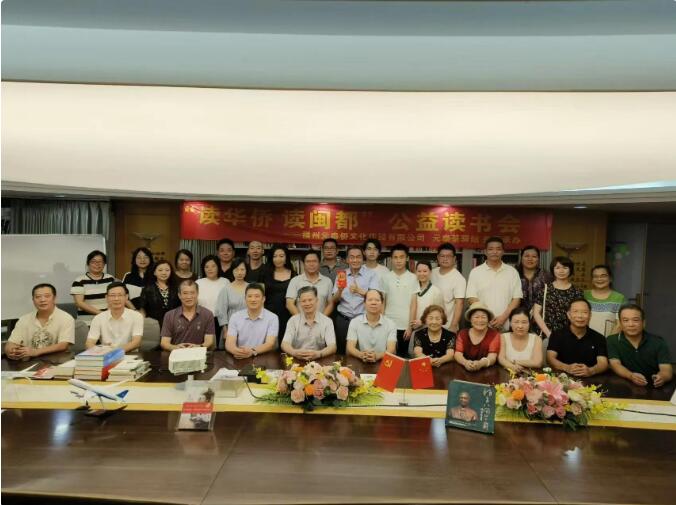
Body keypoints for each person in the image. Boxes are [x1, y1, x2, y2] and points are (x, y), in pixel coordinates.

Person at [607, 303, 672, 387]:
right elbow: (615, 364)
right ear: (620, 323)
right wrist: (631, 376)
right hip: (623, 385)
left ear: (643, 322)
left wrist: (662, 377)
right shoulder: (612, 340)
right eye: (626, 320)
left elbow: (666, 369)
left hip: (652, 385)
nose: (631, 324)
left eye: (635, 320)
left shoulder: (658, 342)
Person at [332, 246, 381, 354]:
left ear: (363, 259)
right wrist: (339, 290)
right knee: (341, 351)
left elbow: (375, 298)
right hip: (343, 319)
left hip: (363, 320)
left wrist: (359, 290)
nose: (355, 260)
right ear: (347, 260)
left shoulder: (371, 274)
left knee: (363, 350)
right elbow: (334, 300)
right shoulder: (341, 274)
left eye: (358, 257)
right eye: (352, 257)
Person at [466, 237, 522, 331]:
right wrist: (487, 317)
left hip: (506, 324)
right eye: (491, 249)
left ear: (503, 251)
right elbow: (471, 298)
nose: (494, 252)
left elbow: (516, 299)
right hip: (482, 324)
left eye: (498, 249)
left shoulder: (512, 272)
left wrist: (503, 318)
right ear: (485, 251)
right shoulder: (475, 272)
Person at [6, 284, 74, 360]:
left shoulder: (66, 318)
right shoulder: (24, 319)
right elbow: (11, 342)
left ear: (54, 298)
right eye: (38, 297)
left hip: (56, 362)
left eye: (47, 296)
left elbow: (63, 345)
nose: (42, 300)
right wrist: (10, 350)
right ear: (33, 300)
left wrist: (36, 352)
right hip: (28, 362)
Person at [547, 299, 608, 377]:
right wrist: (567, 368)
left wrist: (591, 371)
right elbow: (550, 358)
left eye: (585, 312)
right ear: (568, 315)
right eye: (575, 311)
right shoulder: (557, 335)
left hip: (591, 379)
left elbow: (603, 363)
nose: (580, 316)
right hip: (562, 378)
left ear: (590, 315)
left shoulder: (599, 338)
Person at [532, 256, 584, 338]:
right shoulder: (545, 290)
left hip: (570, 335)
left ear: (570, 270)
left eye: (565, 268)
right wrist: (549, 334)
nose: (561, 271)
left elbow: (580, 313)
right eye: (557, 268)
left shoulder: (577, 292)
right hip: (547, 334)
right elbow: (536, 313)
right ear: (553, 270)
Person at [281, 286, 337, 360]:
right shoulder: (293, 320)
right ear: (299, 303)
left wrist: (319, 354)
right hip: (297, 359)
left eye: (310, 300)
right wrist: (294, 352)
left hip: (319, 360)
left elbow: (332, 346)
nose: (307, 303)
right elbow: (284, 344)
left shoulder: (327, 321)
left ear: (316, 300)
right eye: (303, 301)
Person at [382, 243, 418, 357]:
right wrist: (382, 323)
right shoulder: (386, 277)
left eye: (401, 257)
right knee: (388, 356)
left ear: (407, 258)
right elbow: (383, 302)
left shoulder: (413, 278)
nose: (398, 260)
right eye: (395, 257)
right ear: (391, 259)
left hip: (405, 325)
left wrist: (410, 327)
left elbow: (413, 304)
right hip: (388, 323)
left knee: (403, 357)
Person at [225, 284, 279, 359]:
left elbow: (270, 344)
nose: (253, 299)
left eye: (257, 296)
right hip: (240, 357)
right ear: (245, 298)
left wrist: (252, 351)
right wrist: (236, 351)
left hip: (263, 357)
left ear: (263, 299)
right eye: (249, 296)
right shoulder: (235, 317)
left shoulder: (272, 318)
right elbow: (229, 343)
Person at [86, 282, 143, 352]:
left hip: (129, 354)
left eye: (120, 295)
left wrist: (116, 351)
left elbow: (136, 342)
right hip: (106, 355)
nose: (116, 299)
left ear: (126, 297)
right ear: (106, 297)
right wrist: (100, 351)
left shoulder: (136, 316)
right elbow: (89, 342)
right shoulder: (98, 318)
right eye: (112, 295)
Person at [161, 280, 215, 350]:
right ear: (179, 295)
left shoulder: (208, 314)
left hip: (199, 353)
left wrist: (198, 347)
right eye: (185, 293)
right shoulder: (169, 315)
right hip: (177, 353)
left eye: (192, 293)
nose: (189, 297)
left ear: (197, 294)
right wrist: (175, 347)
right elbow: (164, 342)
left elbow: (209, 341)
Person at [346, 289, 397, 363]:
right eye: (370, 300)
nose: (373, 303)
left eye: (377, 300)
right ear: (364, 303)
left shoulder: (391, 324)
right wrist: (361, 355)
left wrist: (377, 356)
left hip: (383, 362)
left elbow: (391, 349)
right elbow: (350, 347)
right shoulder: (355, 322)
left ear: (382, 303)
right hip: (360, 362)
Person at [71, 250, 116, 322]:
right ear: (88, 264)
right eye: (93, 261)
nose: (97, 264)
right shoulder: (79, 281)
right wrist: (101, 314)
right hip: (87, 322)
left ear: (104, 264)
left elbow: (114, 297)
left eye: (100, 261)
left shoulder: (110, 279)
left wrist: (107, 315)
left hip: (108, 320)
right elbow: (79, 303)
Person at [454, 302, 501, 372]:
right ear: (470, 319)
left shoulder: (494, 335)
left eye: (483, 317)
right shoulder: (462, 333)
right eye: (476, 317)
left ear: (488, 320)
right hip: (463, 370)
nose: (480, 320)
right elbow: (458, 354)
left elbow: (492, 357)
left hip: (487, 372)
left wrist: (480, 364)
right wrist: (465, 363)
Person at [286, 250, 334, 316]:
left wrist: (321, 320)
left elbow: (331, 304)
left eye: (314, 261)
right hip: (300, 320)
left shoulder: (327, 281)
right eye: (308, 261)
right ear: (303, 263)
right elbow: (289, 304)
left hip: (321, 320)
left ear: (319, 263)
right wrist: (301, 319)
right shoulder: (295, 281)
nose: (311, 264)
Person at [431, 242, 466, 333]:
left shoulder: (459, 278)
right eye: (442, 256)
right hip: (429, 323)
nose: (445, 259)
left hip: (447, 326)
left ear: (454, 259)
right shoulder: (431, 273)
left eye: (448, 256)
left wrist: (453, 326)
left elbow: (459, 304)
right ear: (438, 257)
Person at [406, 261, 444, 344]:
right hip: (414, 330)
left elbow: (440, 315)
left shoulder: (436, 291)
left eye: (425, 271)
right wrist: (409, 327)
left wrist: (422, 322)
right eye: (419, 271)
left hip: (430, 330)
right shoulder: (413, 289)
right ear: (415, 272)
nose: (422, 274)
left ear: (430, 272)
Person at [263, 244, 296, 341]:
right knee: (269, 342)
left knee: (286, 342)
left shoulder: (294, 275)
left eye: (281, 256)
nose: (278, 259)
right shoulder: (265, 274)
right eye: (275, 256)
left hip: (288, 314)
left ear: (286, 258)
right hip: (268, 314)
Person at [214, 257, 249, 346]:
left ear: (246, 271)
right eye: (236, 270)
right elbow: (221, 311)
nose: (239, 272)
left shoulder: (251, 288)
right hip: (231, 328)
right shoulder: (226, 289)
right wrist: (225, 330)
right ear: (232, 271)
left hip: (249, 327)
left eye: (242, 269)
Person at [138, 260, 180, 330]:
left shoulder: (176, 288)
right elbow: (143, 308)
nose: (164, 273)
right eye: (160, 270)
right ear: (154, 272)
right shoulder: (148, 289)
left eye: (167, 270)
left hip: (174, 323)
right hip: (154, 325)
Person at [584, 264, 626, 336]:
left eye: (603, 276)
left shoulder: (619, 298)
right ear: (592, 280)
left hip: (609, 340)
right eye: (595, 276)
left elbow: (620, 323)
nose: (599, 279)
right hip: (586, 339)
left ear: (610, 278)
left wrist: (608, 340)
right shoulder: (584, 295)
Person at [498, 307, 543, 372]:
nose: (520, 326)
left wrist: (515, 362)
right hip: (506, 374)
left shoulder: (536, 339)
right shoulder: (503, 337)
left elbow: (537, 363)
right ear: (510, 323)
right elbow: (501, 359)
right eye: (516, 322)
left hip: (530, 375)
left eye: (524, 322)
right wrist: (512, 367)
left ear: (529, 323)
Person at [195, 254, 229, 337]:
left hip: (220, 321)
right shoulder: (198, 283)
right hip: (202, 319)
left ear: (218, 267)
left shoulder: (225, 282)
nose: (210, 269)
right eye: (207, 267)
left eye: (213, 266)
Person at [516, 245, 552, 317]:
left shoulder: (546, 276)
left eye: (534, 256)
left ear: (538, 259)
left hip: (541, 317)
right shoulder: (514, 274)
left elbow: (550, 298)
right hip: (517, 317)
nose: (530, 259)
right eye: (527, 256)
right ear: (521, 258)